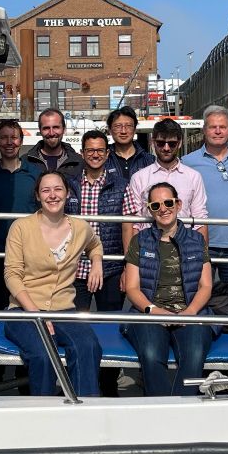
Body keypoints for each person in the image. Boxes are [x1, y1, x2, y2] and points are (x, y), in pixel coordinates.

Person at [3, 171, 103, 396]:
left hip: (63, 309)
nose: (52, 195)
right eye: (45, 190)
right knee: (43, 355)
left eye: (58, 189)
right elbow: (12, 275)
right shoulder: (21, 227)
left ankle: (84, 412)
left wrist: (97, 263)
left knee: (88, 347)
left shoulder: (80, 227)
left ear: (67, 193)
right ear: (38, 196)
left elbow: (95, 245)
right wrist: (37, 314)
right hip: (24, 311)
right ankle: (43, 413)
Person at [65, 129, 140, 396]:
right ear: (82, 154)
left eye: (100, 150)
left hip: (109, 268)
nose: (95, 155)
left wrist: (128, 266)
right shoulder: (70, 184)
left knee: (110, 329)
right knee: (76, 328)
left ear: (107, 154)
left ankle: (108, 385)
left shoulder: (121, 185)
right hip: (75, 270)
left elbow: (128, 227)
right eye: (90, 150)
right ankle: (80, 382)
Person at [122, 182, 214, 396]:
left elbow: (206, 285)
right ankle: (160, 408)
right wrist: (153, 310)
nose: (163, 209)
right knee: (151, 353)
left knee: (194, 354)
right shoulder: (140, 241)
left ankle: (182, 409)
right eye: (155, 205)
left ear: (178, 204)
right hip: (151, 313)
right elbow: (132, 288)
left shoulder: (196, 240)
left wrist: (190, 313)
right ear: (149, 210)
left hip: (190, 311)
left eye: (168, 202)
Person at [0, 119, 41, 311]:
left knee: (25, 309)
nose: (9, 142)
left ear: (21, 141)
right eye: (4, 138)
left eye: (14, 137)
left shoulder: (36, 174)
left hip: (27, 255)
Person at [183, 105, 228, 283]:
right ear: (204, 130)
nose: (217, 131)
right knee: (198, 295)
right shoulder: (187, 163)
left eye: (222, 127)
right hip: (199, 244)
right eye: (212, 127)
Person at [129, 118, 208, 242]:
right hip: (149, 246)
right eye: (161, 143)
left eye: (172, 144)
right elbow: (135, 223)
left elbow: (200, 220)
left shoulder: (194, 176)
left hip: (184, 246)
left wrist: (202, 257)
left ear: (180, 143)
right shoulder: (139, 178)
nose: (166, 148)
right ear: (152, 142)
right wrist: (134, 257)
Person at [24, 108, 83, 179]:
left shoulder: (78, 162)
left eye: (56, 127)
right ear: (40, 130)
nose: (51, 133)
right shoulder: (26, 162)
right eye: (46, 128)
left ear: (64, 129)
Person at [103, 106, 155, 180]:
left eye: (128, 126)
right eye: (118, 126)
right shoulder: (103, 159)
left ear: (134, 130)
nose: (123, 131)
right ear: (110, 130)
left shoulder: (149, 161)